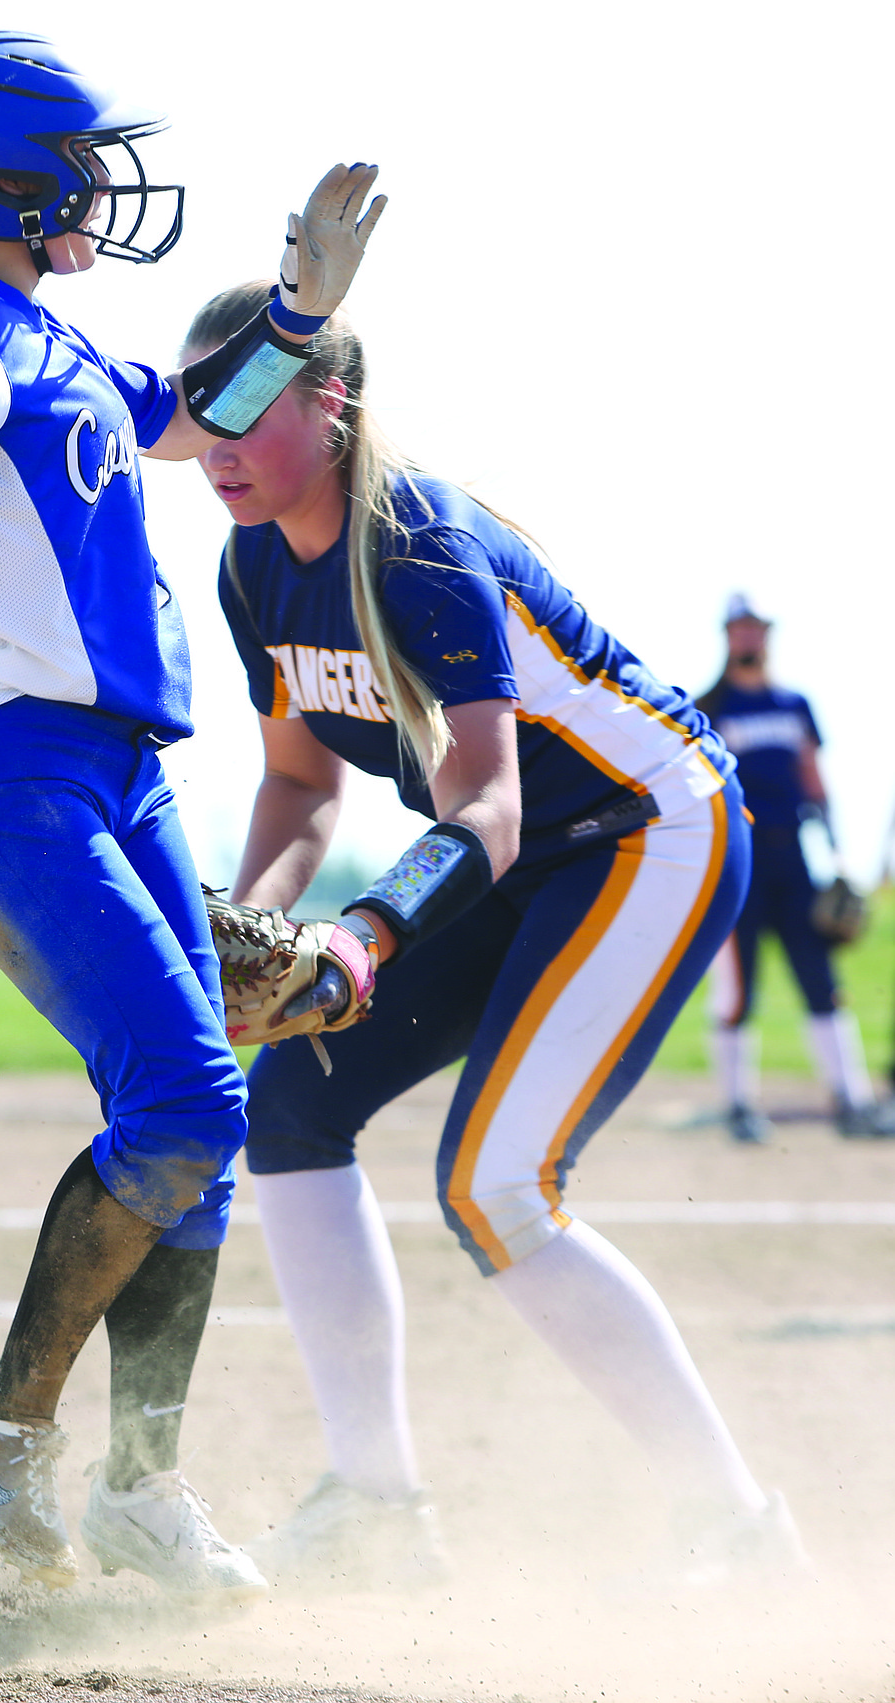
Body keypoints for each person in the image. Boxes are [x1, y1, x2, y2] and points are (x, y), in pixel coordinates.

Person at [0, 34, 383, 1598]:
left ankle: (140, 1484)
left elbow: (194, 414)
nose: (103, 187)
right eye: (78, 160)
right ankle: (5, 1424)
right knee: (186, 1099)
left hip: (110, 776)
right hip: (4, 780)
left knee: (210, 1113)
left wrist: (303, 311)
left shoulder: (49, 341)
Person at [178, 281, 808, 1592]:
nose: (214, 441)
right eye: (196, 408)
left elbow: (488, 802)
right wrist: (248, 933)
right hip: (507, 863)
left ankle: (742, 1531)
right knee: (287, 1106)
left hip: (645, 829)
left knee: (494, 1182)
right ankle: (376, 1503)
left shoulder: (410, 541)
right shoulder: (252, 566)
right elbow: (300, 784)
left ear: (330, 402)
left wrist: (359, 933)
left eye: (245, 405)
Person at [696, 595, 890, 1143]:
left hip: (792, 859)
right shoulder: (710, 704)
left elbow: (812, 775)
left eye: (758, 629)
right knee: (738, 990)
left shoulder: (794, 703)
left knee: (821, 982)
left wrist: (838, 853)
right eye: (742, 629)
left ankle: (850, 1102)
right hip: (738, 862)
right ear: (727, 635)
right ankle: (738, 1106)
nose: (751, 639)